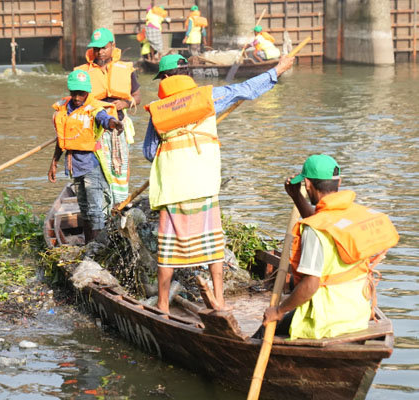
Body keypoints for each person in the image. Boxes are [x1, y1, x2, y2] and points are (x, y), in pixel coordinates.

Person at [143, 53, 296, 312]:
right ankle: (220, 302)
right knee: (213, 246)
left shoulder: (159, 112)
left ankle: (162, 305)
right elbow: (245, 90)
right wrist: (278, 69)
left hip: (174, 188)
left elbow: (149, 152)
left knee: (168, 251)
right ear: (187, 74)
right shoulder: (209, 98)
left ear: (166, 78)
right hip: (204, 184)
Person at [258, 154, 399, 339]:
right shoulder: (350, 215)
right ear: (338, 182)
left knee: (265, 329)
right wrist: (296, 196)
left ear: (308, 184)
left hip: (326, 320)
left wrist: (278, 311)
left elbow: (310, 285)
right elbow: (320, 219)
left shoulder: (314, 231)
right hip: (358, 314)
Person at [47, 70, 124, 243]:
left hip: (91, 166)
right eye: (73, 93)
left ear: (88, 92)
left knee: (95, 210)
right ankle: (90, 246)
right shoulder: (65, 109)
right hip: (75, 167)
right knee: (84, 209)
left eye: (81, 93)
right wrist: (54, 162)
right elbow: (63, 139)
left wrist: (115, 123)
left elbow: (104, 119)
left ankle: (98, 249)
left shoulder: (93, 109)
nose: (77, 97)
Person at [75, 28, 142, 205]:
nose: (100, 52)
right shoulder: (84, 73)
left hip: (118, 128)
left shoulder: (125, 69)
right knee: (99, 169)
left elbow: (137, 96)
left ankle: (119, 204)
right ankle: (103, 206)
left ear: (113, 46)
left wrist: (126, 103)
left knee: (120, 167)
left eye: (104, 47)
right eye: (96, 49)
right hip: (95, 129)